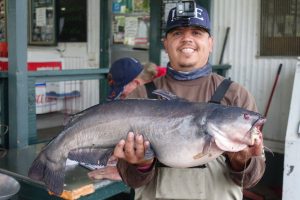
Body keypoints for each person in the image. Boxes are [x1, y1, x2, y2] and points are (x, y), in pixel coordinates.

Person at [113, 3, 266, 200]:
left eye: (196, 32)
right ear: (165, 43)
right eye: (177, 33)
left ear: (210, 43)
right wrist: (140, 164)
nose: (187, 39)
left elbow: (253, 178)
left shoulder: (236, 95)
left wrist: (241, 161)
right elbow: (130, 179)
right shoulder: (141, 95)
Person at [88, 57, 166, 181]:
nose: (122, 100)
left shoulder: (165, 94)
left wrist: (127, 170)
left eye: (123, 95)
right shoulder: (148, 94)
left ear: (136, 84)